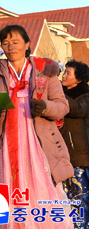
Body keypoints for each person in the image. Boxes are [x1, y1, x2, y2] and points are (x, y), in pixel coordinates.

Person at [0, 24, 73, 229]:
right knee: (11, 184)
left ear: (27, 44)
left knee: (41, 184)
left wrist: (45, 107)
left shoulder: (44, 70)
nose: (10, 46)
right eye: (5, 42)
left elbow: (62, 105)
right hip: (6, 142)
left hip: (37, 142)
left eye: (15, 42)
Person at [59, 60, 89, 229]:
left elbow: (78, 110)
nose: (64, 76)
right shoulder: (61, 95)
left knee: (80, 200)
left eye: (68, 73)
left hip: (79, 160)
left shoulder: (85, 96)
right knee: (66, 201)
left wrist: (59, 95)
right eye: (64, 72)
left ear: (78, 79)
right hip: (62, 158)